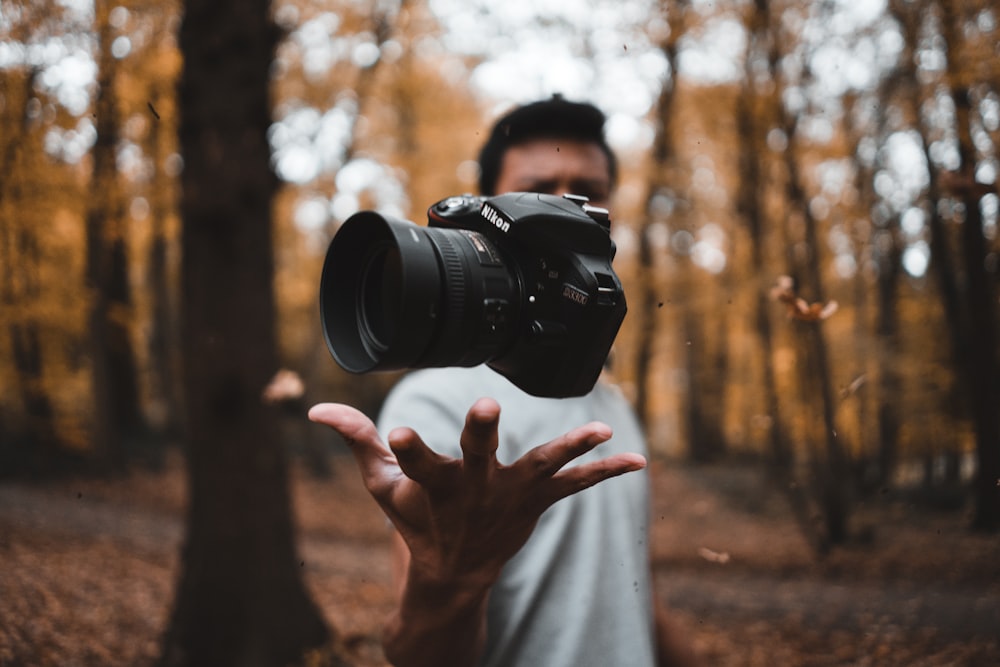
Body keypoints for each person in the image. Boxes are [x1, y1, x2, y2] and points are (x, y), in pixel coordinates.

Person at [309, 96, 700, 667]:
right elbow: (419, 654)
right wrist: (452, 581)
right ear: (491, 204)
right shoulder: (439, 403)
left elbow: (634, 593)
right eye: (543, 189)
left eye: (587, 192)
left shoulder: (607, 396)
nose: (569, 209)